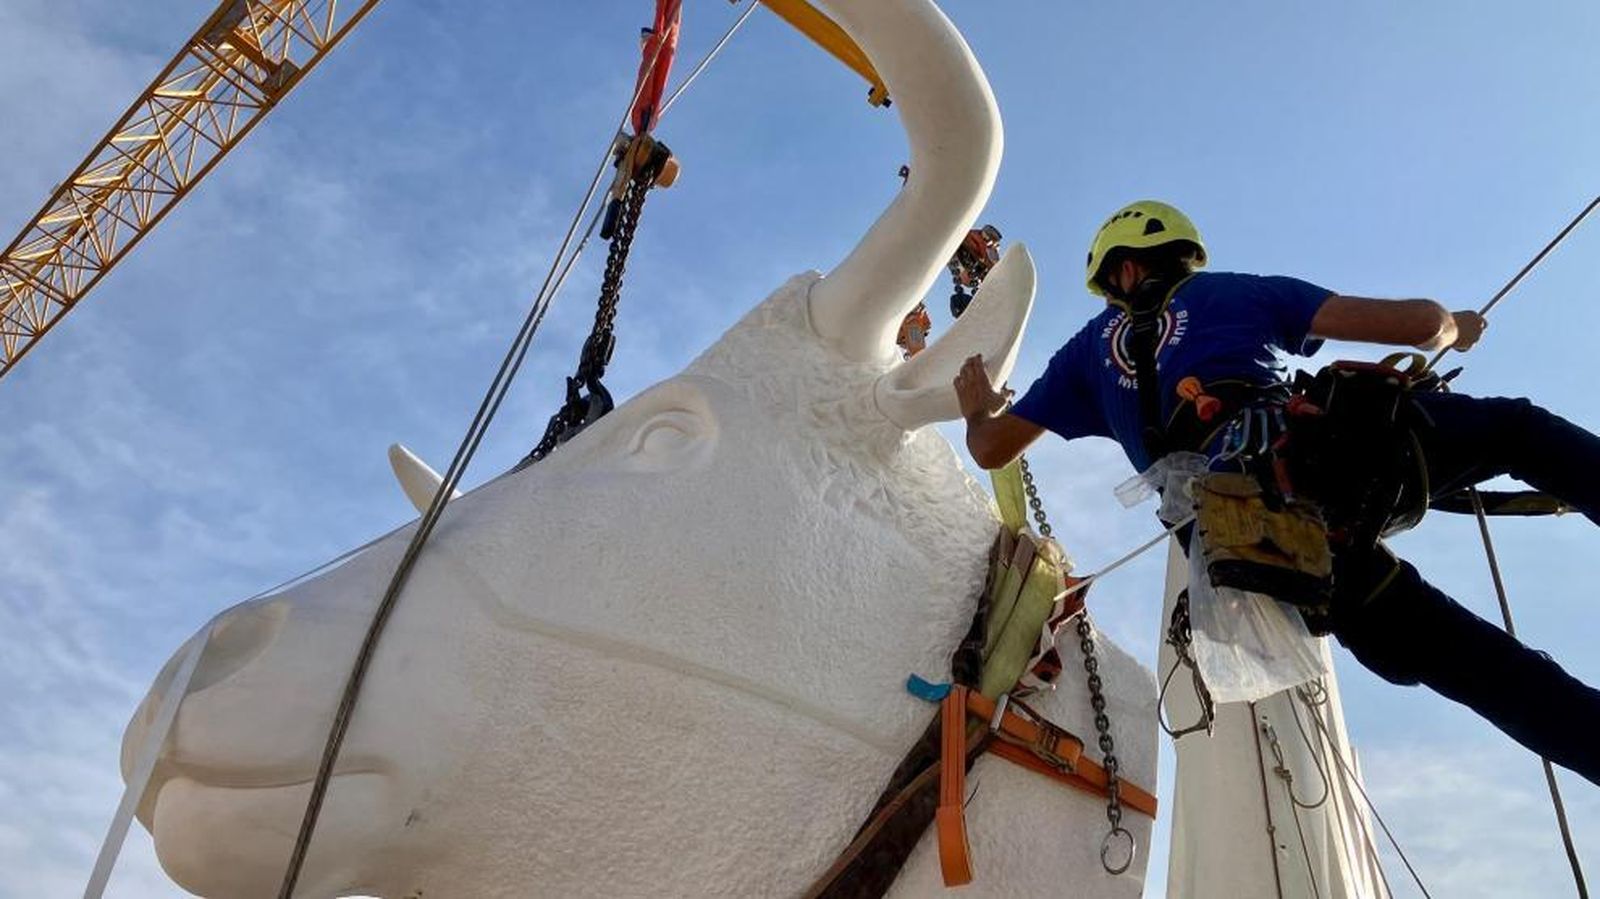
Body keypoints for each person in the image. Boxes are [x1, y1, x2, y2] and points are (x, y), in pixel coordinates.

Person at [953, 200, 1600, 785]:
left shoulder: (1083, 356)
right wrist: (1455, 326)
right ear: (1180, 254)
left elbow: (990, 449)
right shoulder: (1231, 293)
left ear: (1114, 274)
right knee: (1520, 432)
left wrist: (979, 410)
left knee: (1464, 657)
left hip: (1241, 546)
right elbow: (1420, 325)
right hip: (1321, 456)